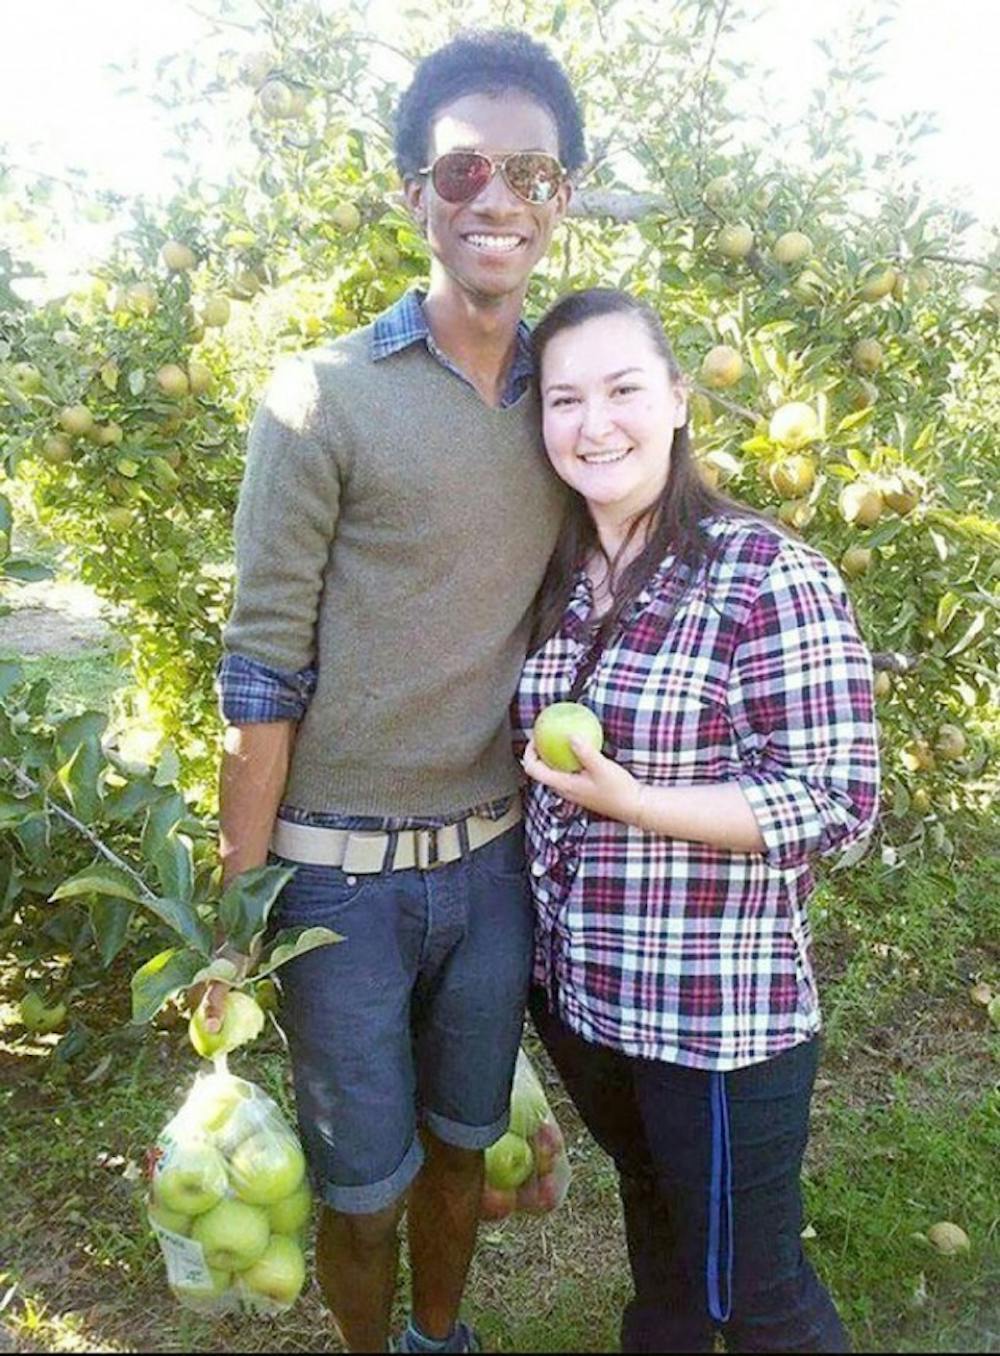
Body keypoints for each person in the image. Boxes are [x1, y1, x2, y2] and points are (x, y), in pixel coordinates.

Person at [196, 30, 585, 1356]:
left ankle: (442, 1339)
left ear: (562, 199)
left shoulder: (570, 401)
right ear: (412, 191)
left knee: (465, 1155)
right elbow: (261, 663)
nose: (496, 196)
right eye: (463, 167)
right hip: (335, 887)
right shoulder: (325, 397)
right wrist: (235, 917)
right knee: (360, 1195)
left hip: (489, 871)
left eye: (528, 172)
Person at [514, 288, 880, 1354]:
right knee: (665, 1269)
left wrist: (639, 803)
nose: (594, 423)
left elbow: (834, 801)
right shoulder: (559, 577)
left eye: (623, 388)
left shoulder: (765, 576)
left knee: (754, 1300)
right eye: (564, 398)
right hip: (585, 1005)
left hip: (710, 1022)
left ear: (677, 400)